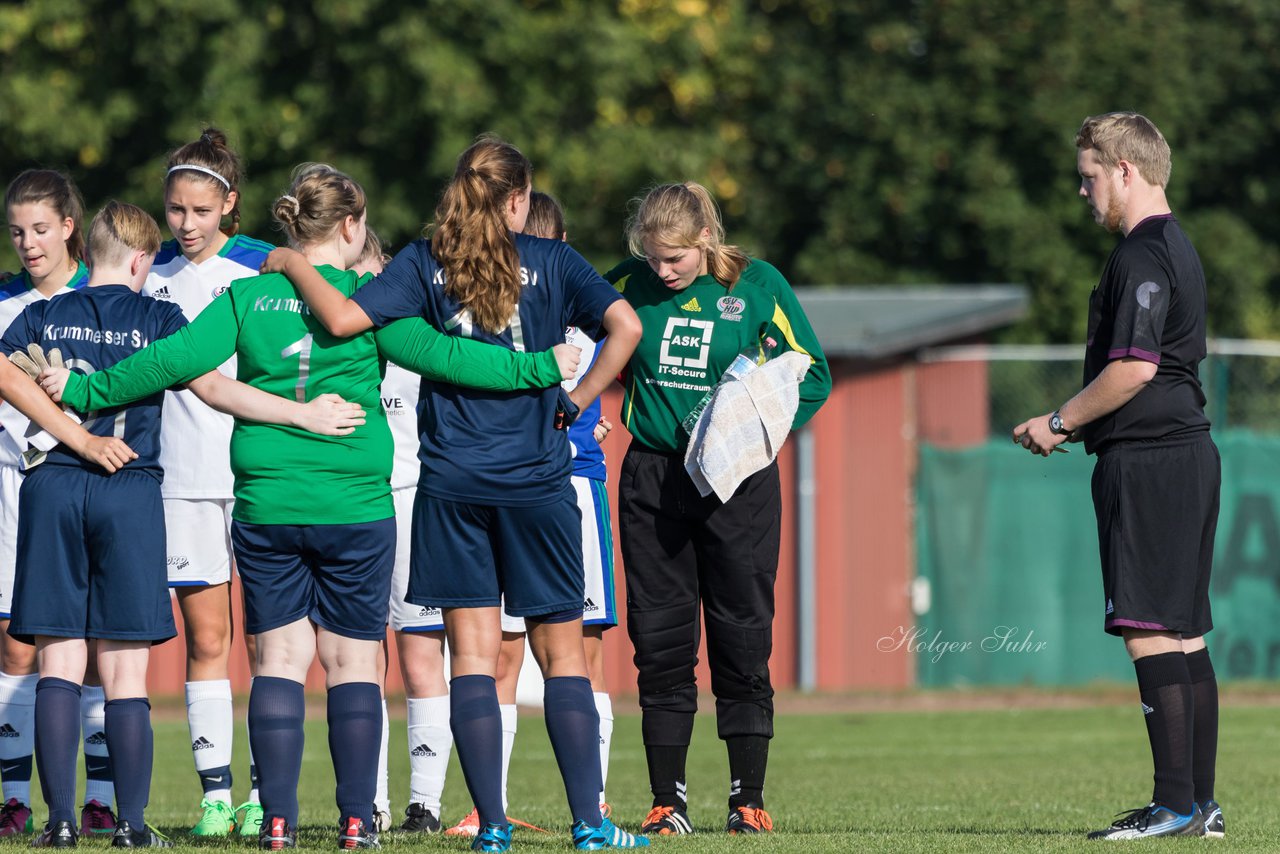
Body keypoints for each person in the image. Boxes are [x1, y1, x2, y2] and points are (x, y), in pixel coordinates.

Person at [46, 164, 578, 851]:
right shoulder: (370, 299)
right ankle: (357, 821)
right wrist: (541, 367)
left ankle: (277, 821)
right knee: (354, 663)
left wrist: (87, 394)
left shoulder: (249, 296)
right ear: (353, 227)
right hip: (353, 502)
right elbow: (450, 357)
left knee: (279, 660)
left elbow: (170, 359)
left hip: (268, 503)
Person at [262, 135, 648, 853]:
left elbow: (343, 320)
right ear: (518, 199)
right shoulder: (555, 260)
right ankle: (591, 826)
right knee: (561, 655)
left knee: (469, 658)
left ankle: (493, 828)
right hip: (536, 481)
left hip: (451, 484)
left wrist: (286, 260)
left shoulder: (421, 260)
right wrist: (577, 398)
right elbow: (626, 326)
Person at [1, 200, 363, 849]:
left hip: (53, 484)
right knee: (125, 672)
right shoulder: (160, 315)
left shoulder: (41, 313)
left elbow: (7, 375)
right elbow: (219, 391)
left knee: (57, 659)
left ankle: (57, 823)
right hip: (130, 487)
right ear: (143, 260)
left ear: (92, 255)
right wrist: (302, 414)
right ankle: (132, 826)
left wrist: (72, 438)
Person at [1012, 112, 1221, 840]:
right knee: (1184, 632)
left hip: (1154, 461)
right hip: (1185, 452)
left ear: (1125, 172)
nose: (1083, 190)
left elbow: (1132, 368)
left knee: (1150, 630)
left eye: (1090, 176)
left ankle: (1174, 806)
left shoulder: (1141, 253)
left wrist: (1061, 421)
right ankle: (1200, 805)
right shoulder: (1179, 247)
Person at [604, 181, 829, 836]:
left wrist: (751, 429)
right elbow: (582, 354)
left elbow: (812, 372)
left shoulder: (758, 286)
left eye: (674, 259)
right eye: (653, 258)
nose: (663, 272)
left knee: (741, 634)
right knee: (661, 638)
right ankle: (666, 802)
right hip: (652, 478)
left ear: (705, 239)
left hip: (739, 484)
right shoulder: (624, 284)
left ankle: (746, 799)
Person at [442, 190, 620, 839]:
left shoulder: (577, 324)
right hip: (532, 491)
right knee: (534, 654)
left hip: (568, 487)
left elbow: (626, 348)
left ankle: (585, 804)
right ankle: (503, 806)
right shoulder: (512, 319)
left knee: (556, 652)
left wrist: (583, 414)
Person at [146, 128, 275, 838]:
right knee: (206, 638)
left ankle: (264, 794)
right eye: (175, 210)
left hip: (261, 474)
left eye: (200, 211)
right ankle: (216, 799)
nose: (187, 225)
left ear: (230, 204)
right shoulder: (151, 274)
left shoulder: (267, 268)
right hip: (184, 481)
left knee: (266, 639)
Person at [0, 169, 111, 838]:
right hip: (16, 485)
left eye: (40, 228)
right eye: (16, 232)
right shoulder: (4, 304)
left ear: (69, 226)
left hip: (93, 484)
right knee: (18, 644)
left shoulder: (107, 300)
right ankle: (12, 796)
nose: (28, 243)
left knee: (97, 644)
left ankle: (99, 796)